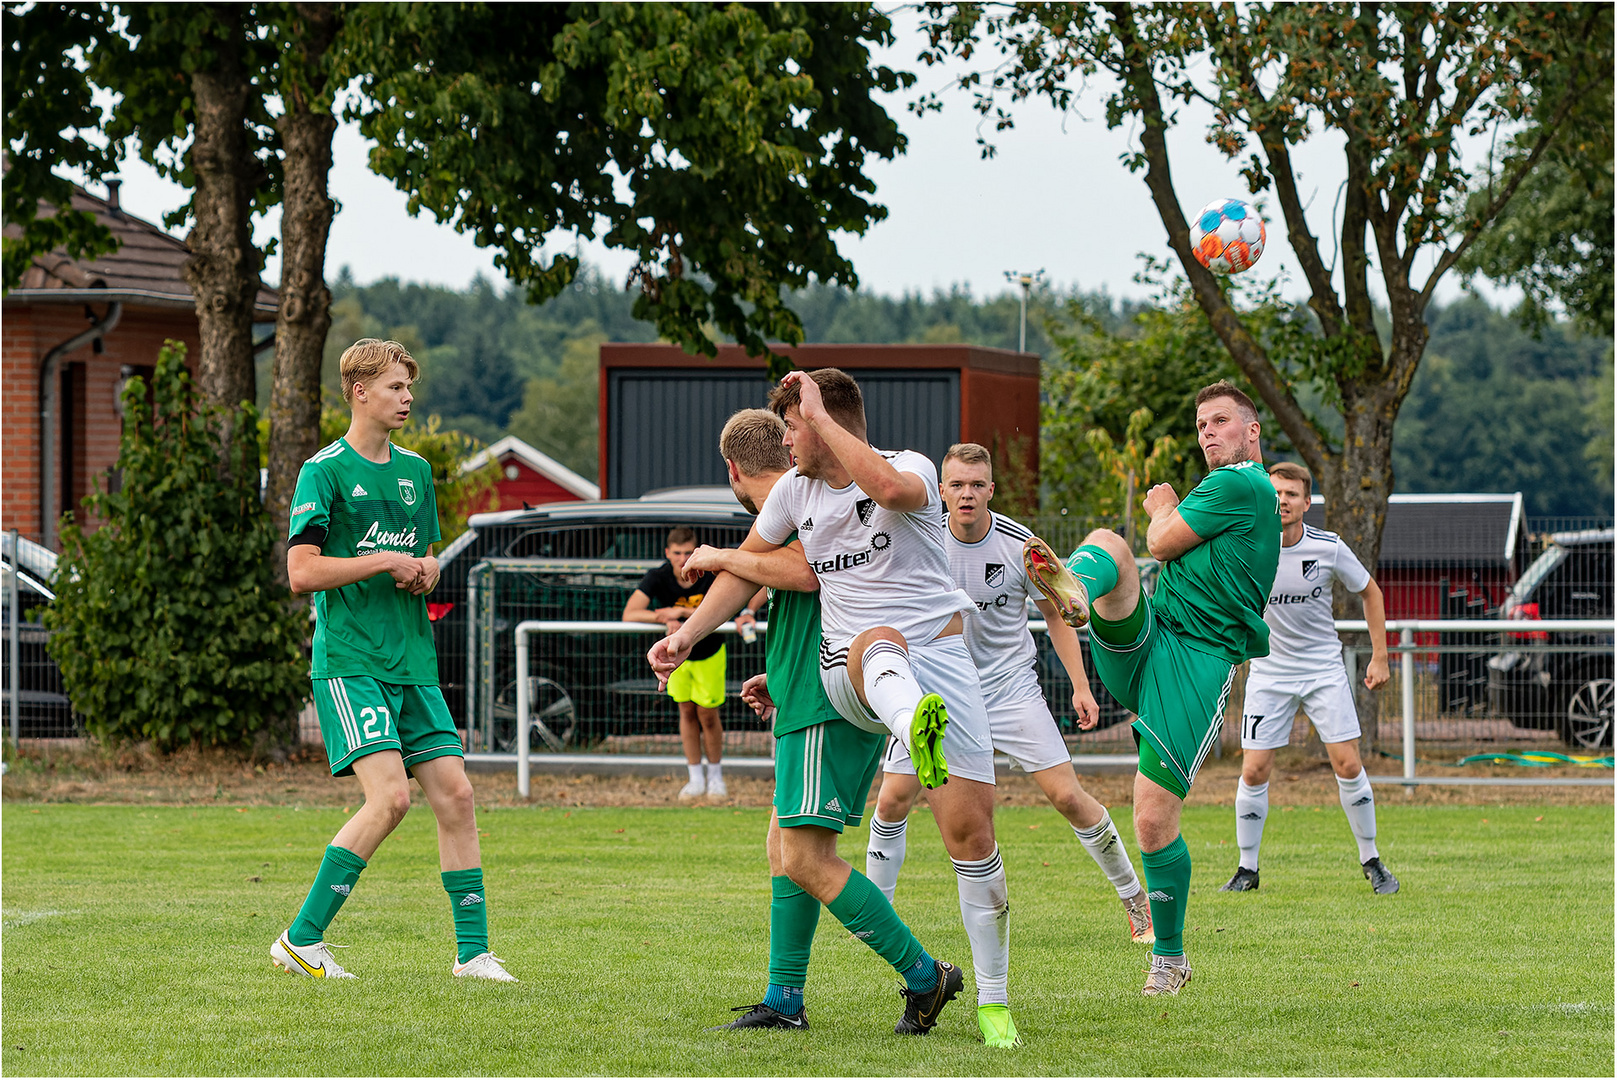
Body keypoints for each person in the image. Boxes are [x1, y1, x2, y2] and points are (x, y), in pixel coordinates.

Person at [655, 370, 1016, 1047]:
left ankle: (936, 980)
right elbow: (749, 570)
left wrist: (819, 417)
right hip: (844, 677)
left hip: (928, 661)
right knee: (789, 846)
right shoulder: (793, 493)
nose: (785, 439)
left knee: (953, 837)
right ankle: (789, 995)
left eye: (793, 425)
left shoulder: (904, 468)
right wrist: (686, 635)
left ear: (824, 420)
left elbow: (827, 541)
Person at [1023, 380, 1281, 997]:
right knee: (1109, 546)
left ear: (1253, 433)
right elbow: (1155, 549)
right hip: (1152, 634)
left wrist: (1163, 506)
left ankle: (1169, 959)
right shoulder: (1229, 491)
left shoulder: (1243, 482)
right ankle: (1075, 593)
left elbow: (1161, 539)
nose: (1208, 432)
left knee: (1152, 817)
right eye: (1201, 425)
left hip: (1195, 661)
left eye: (1220, 421)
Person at [272, 338, 515, 982]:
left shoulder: (414, 473)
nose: (407, 398)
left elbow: (421, 557)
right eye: (395, 388)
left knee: (458, 798)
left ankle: (473, 955)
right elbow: (300, 573)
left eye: (409, 387)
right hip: (353, 662)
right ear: (359, 391)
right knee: (389, 800)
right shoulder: (322, 472)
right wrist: (383, 561)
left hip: (413, 663)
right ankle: (301, 938)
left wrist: (428, 568)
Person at [864, 443, 1154, 945]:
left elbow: (1056, 615)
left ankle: (1135, 898)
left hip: (1008, 690)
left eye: (977, 485)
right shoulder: (918, 537)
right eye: (956, 485)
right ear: (941, 491)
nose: (967, 494)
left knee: (1067, 796)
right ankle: (874, 914)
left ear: (991, 490)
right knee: (891, 800)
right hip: (940, 691)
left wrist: (1081, 687)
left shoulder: (1021, 545)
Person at [1221, 461, 1399, 895]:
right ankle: (1247, 869)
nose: (1282, 500)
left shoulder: (1329, 546)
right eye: (1276, 493)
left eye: (1292, 494)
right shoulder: (1248, 547)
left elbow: (1370, 592)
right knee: (1255, 769)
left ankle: (1372, 860)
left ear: (1307, 502)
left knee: (1348, 763)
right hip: (1269, 671)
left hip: (1323, 669)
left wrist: (1380, 656)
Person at [623, 528, 760, 802]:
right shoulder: (658, 577)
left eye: (688, 552)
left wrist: (685, 614)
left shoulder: (708, 574)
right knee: (686, 712)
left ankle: (716, 776)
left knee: (708, 715)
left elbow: (729, 602)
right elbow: (630, 613)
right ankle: (695, 777)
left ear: (696, 552)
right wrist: (664, 619)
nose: (682, 558)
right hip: (676, 657)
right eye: (677, 553)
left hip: (709, 653)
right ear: (667, 554)